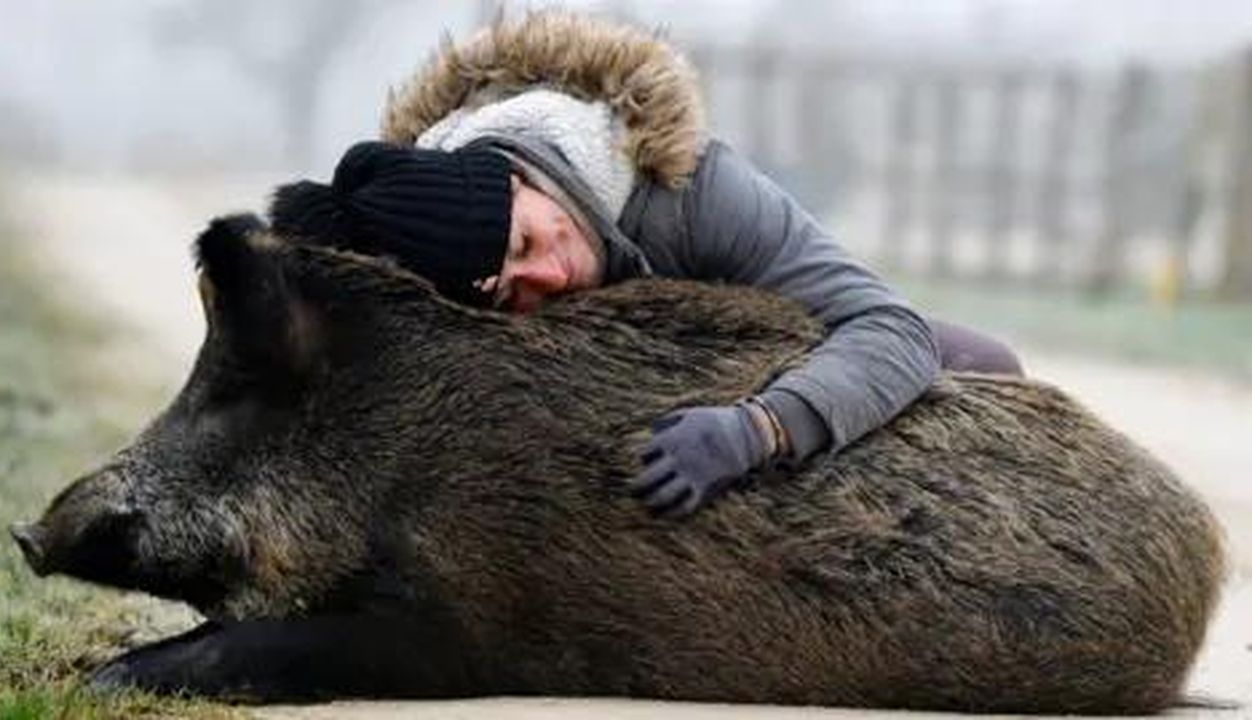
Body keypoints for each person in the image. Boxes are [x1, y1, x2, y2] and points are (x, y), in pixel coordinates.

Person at [271, 11, 1022, 517]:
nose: (550, 279)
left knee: (983, 362)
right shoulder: (417, 264)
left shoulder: (695, 190)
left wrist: (759, 430)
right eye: (509, 292)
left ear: (520, 176)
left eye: (529, 242)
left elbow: (887, 329)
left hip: (748, 383)